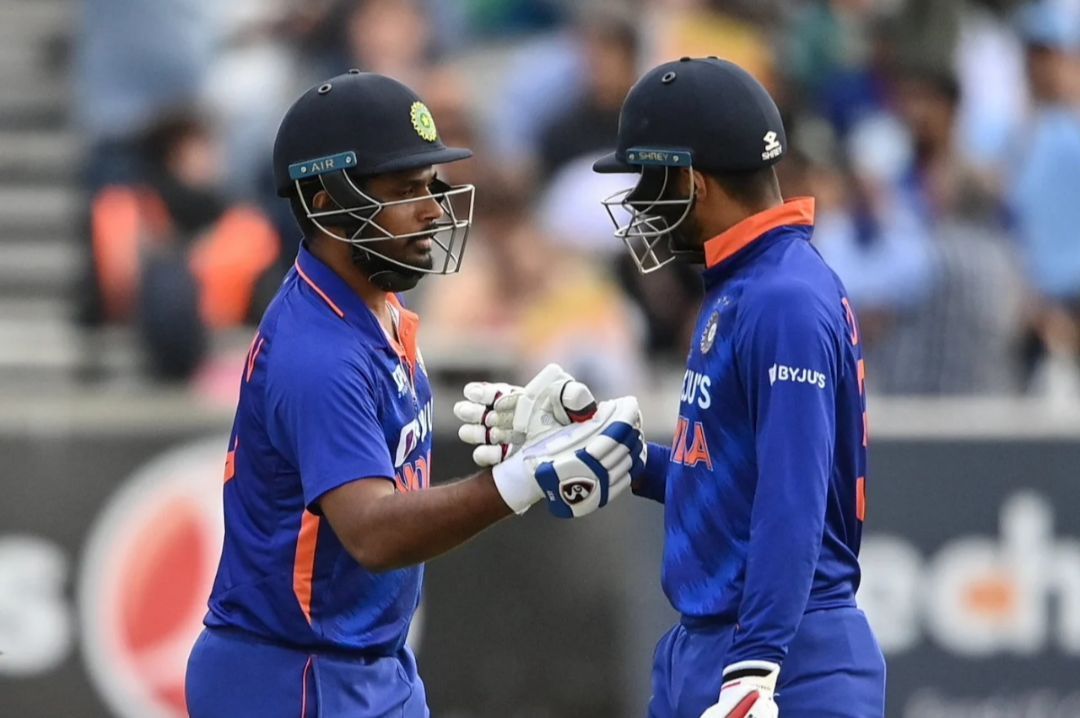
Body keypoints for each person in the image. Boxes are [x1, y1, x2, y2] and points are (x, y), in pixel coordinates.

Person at [183, 70, 645, 718]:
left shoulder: (377, 303)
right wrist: (516, 481)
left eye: (430, 185)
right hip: (295, 676)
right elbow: (371, 533)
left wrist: (520, 430)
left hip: (368, 663)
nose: (433, 207)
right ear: (322, 202)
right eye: (405, 190)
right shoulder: (317, 352)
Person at [460, 57, 885, 717]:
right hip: (719, 644)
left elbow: (792, 498)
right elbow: (727, 478)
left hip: (785, 657)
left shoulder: (782, 297)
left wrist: (755, 667)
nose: (637, 205)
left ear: (691, 179)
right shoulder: (746, 285)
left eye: (647, 181)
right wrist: (603, 444)